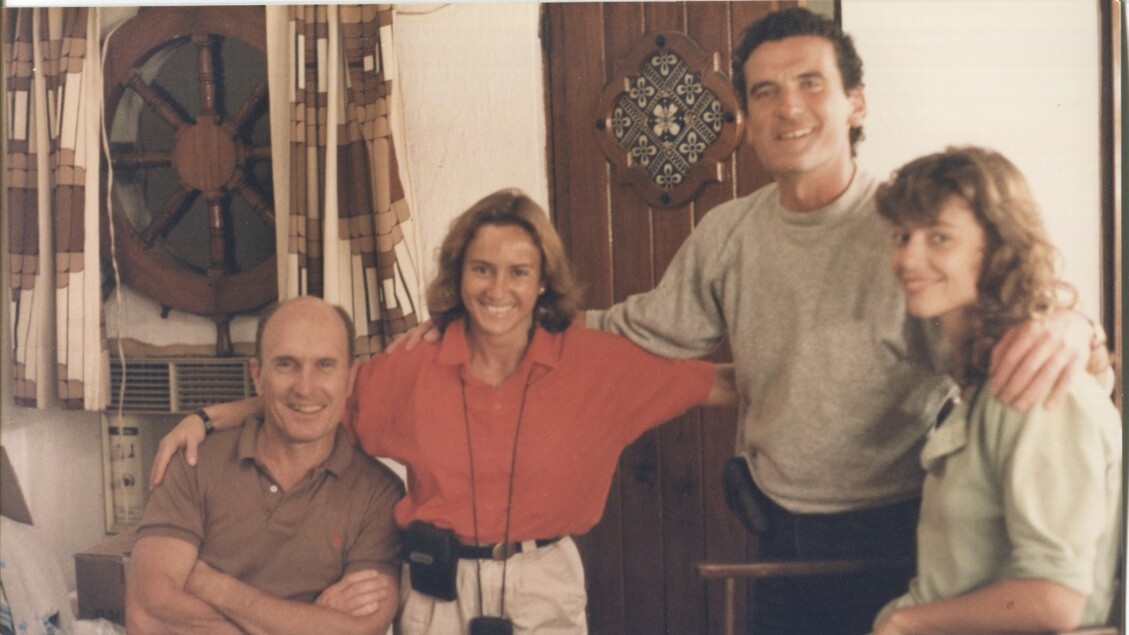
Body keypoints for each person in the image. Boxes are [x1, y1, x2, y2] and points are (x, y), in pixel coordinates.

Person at [579, 8, 1109, 635]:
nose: (788, 107)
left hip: (902, 538)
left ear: (855, 102)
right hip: (775, 536)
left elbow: (1016, 309)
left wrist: (1076, 328)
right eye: (765, 91)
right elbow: (637, 329)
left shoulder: (908, 223)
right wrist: (520, 324)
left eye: (810, 83)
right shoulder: (727, 233)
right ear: (745, 117)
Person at [150, 188, 738, 634]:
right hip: (438, 589)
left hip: (544, 583)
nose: (498, 290)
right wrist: (211, 417)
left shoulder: (598, 365)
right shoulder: (414, 366)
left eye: (518, 272)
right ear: (459, 276)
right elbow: (312, 395)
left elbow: (726, 385)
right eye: (482, 269)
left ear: (543, 282)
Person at [870, 146, 1121, 634]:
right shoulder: (982, 378)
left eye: (939, 237)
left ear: (1001, 249)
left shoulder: (1036, 389)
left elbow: (1053, 601)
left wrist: (903, 623)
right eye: (902, 236)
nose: (908, 258)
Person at [126, 297, 405, 635]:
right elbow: (148, 617)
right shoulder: (194, 461)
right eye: (286, 364)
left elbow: (361, 630)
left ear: (350, 378)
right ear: (258, 375)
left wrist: (216, 587)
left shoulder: (379, 494)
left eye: (325, 365)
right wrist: (308, 622)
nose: (305, 387)